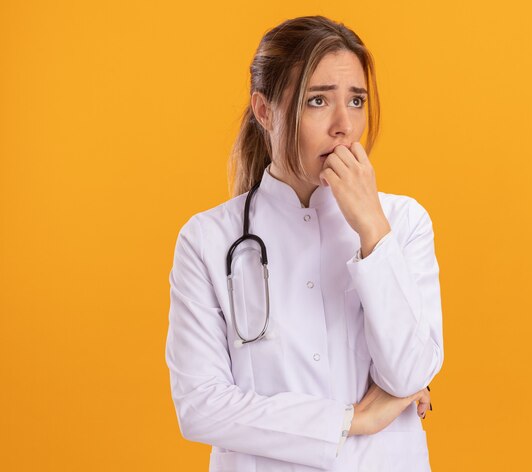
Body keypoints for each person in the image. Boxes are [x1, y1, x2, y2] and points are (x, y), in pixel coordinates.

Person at [165, 15, 444, 471]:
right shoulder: (207, 239)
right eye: (318, 101)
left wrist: (372, 229)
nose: (344, 126)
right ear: (264, 110)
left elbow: (410, 373)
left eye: (356, 101)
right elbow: (200, 407)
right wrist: (353, 419)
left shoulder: (403, 222)